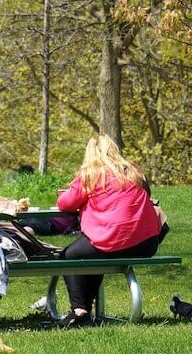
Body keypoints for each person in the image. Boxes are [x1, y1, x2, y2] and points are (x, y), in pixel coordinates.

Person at [55, 134, 167, 327]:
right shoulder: (132, 171)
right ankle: (86, 310)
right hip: (146, 243)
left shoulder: (91, 173)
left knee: (69, 255)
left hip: (111, 239)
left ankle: (79, 310)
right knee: (92, 255)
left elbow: (66, 204)